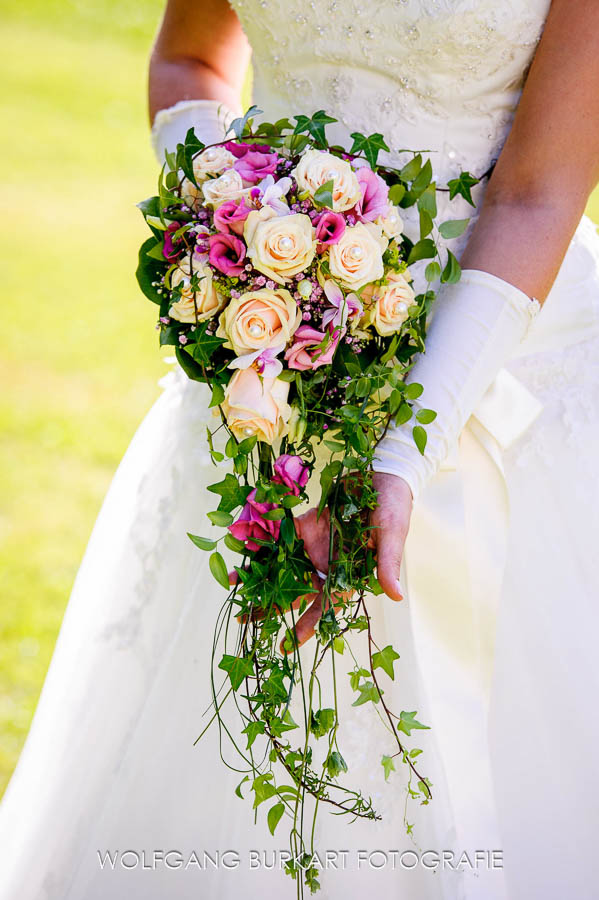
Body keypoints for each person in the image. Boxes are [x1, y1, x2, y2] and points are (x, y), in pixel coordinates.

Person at [2, 1, 599, 898]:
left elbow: (539, 190)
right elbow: (190, 61)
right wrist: (230, 246)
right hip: (258, 374)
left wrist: (400, 451)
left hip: (487, 367)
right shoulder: (249, 301)